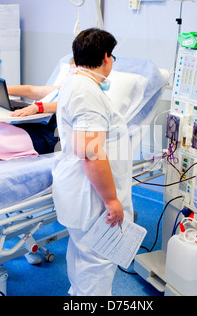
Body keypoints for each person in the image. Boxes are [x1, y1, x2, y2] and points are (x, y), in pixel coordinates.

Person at [52, 28, 134, 296]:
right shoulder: (87, 92)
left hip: (80, 190)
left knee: (81, 254)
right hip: (92, 196)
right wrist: (111, 200)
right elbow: (90, 153)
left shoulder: (76, 83)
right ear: (106, 57)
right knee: (98, 262)